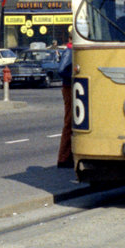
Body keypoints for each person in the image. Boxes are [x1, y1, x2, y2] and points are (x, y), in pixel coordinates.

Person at [57, 41, 74, 169]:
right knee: (69, 121)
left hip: (70, 87)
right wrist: (73, 75)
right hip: (69, 87)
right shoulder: (69, 51)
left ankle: (67, 155)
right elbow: (62, 70)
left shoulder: (70, 50)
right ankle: (63, 157)